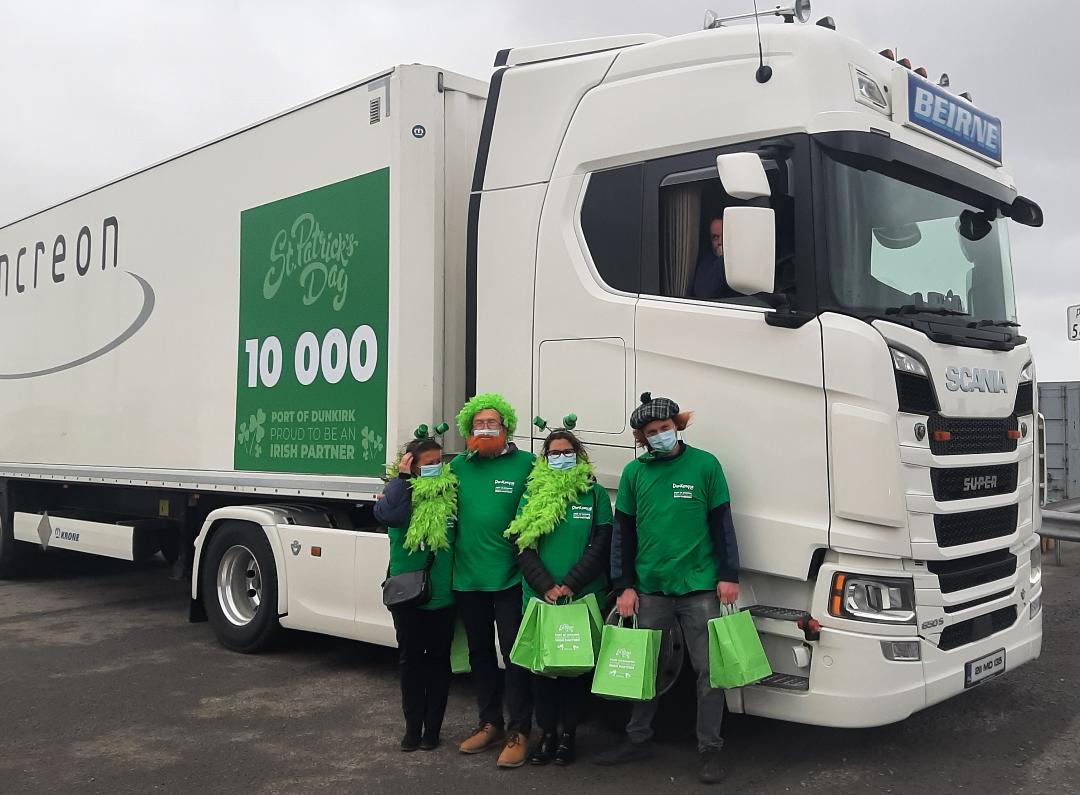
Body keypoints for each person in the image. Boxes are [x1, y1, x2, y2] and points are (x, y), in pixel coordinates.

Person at [594, 392, 740, 786]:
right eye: (651, 432)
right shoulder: (634, 473)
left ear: (679, 425)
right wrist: (623, 586)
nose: (659, 436)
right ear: (642, 438)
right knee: (647, 669)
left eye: (665, 428)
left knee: (710, 672)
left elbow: (722, 524)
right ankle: (637, 738)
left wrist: (729, 574)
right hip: (651, 588)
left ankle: (710, 748)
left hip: (700, 588)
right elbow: (622, 534)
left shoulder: (706, 465)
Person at [505, 415, 613, 767]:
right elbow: (523, 545)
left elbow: (601, 543)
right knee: (542, 672)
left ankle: (569, 736)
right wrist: (547, 585)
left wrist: (571, 583)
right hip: (540, 599)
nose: (561, 458)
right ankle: (547, 734)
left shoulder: (594, 494)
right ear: (545, 458)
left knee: (574, 670)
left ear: (578, 456)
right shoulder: (532, 494)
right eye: (554, 453)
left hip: (582, 597)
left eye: (567, 452)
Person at [451, 393, 536, 768]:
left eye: (492, 424)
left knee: (515, 656)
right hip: (468, 580)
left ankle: (520, 731)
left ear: (506, 428)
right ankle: (490, 724)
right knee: (480, 655)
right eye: (478, 424)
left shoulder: (528, 464)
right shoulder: (456, 467)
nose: (485, 429)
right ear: (468, 430)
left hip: (511, 580)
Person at [373, 427, 458, 752]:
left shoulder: (451, 494)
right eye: (428, 463)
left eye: (439, 461)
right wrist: (403, 479)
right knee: (410, 661)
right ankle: (412, 727)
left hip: (442, 595)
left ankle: (433, 729)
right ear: (411, 464)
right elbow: (391, 516)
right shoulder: (395, 494)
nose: (436, 467)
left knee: (438, 662)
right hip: (406, 594)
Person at [691, 216, 732, 300]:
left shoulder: (743, 261)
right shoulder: (707, 260)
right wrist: (722, 259)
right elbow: (704, 293)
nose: (720, 242)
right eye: (716, 237)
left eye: (725, 236)